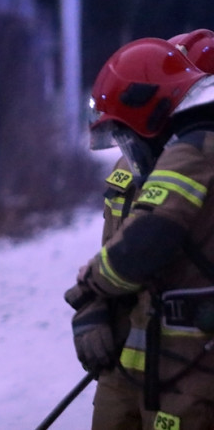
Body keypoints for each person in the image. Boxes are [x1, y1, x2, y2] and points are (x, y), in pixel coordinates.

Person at [66, 30, 214, 429]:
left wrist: (86, 289)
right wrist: (92, 307)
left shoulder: (201, 157)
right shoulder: (131, 171)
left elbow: (149, 242)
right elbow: (118, 253)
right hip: (128, 368)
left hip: (190, 372)